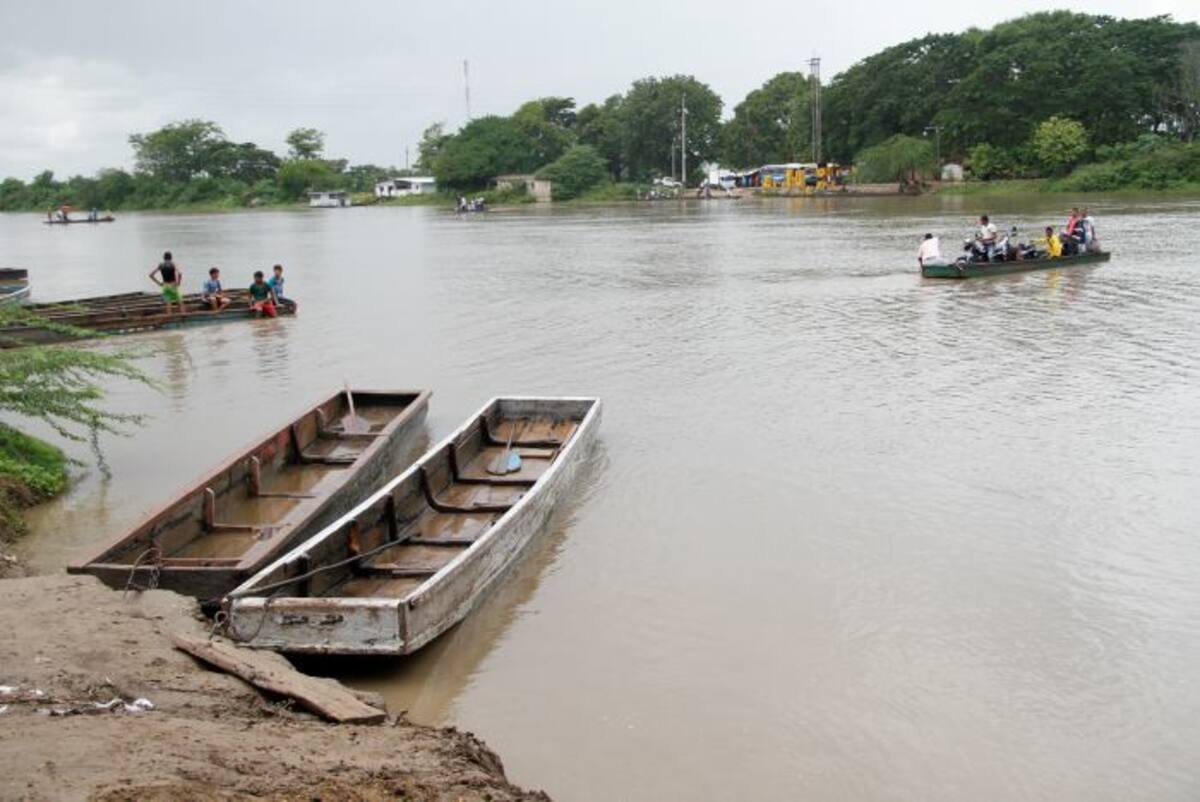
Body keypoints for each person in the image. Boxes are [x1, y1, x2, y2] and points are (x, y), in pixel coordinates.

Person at [149, 250, 184, 316]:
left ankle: (169, 317)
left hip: (165, 286)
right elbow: (180, 273)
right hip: (173, 285)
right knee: (180, 302)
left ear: (164, 258)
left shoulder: (161, 265)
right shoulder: (173, 264)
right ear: (171, 257)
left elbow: (151, 275)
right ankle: (183, 317)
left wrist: (159, 283)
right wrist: (178, 283)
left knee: (168, 303)